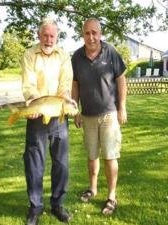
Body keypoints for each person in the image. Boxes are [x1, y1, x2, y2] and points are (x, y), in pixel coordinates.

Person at [21, 18, 74, 225]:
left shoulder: (63, 55)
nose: (49, 40)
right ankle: (35, 207)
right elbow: (29, 84)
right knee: (34, 164)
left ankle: (57, 204)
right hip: (37, 117)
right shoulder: (29, 55)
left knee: (61, 164)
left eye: (52, 36)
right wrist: (33, 102)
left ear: (57, 37)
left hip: (59, 116)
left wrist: (66, 98)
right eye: (45, 35)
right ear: (39, 35)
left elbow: (65, 83)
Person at [71, 18, 127, 215]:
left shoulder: (110, 52)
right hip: (87, 115)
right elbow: (75, 84)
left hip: (109, 114)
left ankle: (111, 196)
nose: (91, 37)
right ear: (82, 34)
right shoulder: (76, 57)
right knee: (92, 155)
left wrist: (122, 108)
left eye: (94, 32)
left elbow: (121, 80)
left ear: (100, 34)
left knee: (110, 156)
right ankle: (92, 188)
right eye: (87, 33)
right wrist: (75, 110)